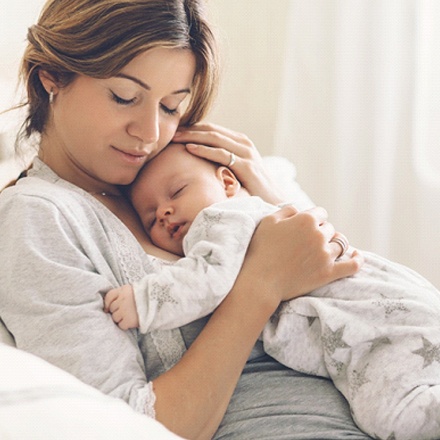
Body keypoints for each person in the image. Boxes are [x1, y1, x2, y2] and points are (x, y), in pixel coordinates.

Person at [0, 1, 370, 439]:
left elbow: (346, 283)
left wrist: (269, 193)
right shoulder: (39, 219)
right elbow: (128, 425)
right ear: (52, 78)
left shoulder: (184, 170)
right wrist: (261, 284)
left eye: (172, 107)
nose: (150, 133)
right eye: (124, 97)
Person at [105, 142, 440, 440]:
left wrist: (144, 300)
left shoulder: (221, 219)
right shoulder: (262, 218)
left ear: (227, 182)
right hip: (391, 312)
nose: (163, 211)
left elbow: (205, 281)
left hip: (374, 319)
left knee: (398, 415)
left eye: (177, 191)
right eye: (150, 218)